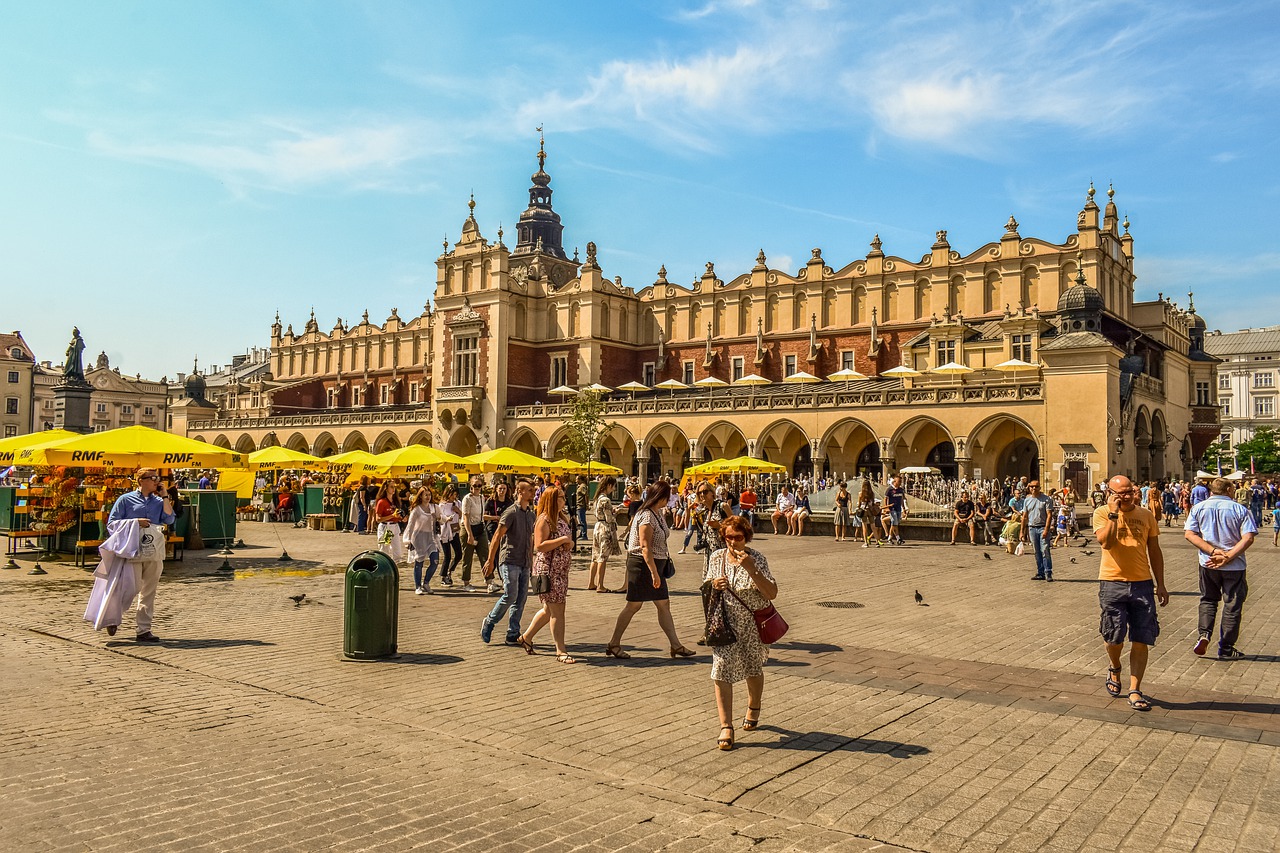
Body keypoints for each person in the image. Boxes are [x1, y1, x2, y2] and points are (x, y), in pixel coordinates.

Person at [703, 513, 778, 751]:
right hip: (725, 622)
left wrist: (751, 569)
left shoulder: (757, 558)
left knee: (752, 666)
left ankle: (753, 706)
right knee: (721, 668)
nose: (733, 542)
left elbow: (772, 592)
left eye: (738, 537)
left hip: (752, 623)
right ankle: (726, 726)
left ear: (746, 537)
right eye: (728, 537)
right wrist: (715, 585)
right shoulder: (716, 557)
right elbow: (706, 585)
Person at [1094, 474, 1168, 712]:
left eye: (1129, 492)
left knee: (1141, 637)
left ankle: (1135, 689)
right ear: (1110, 493)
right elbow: (1105, 542)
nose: (1126, 496)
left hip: (1142, 583)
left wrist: (1161, 584)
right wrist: (1114, 514)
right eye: (1120, 493)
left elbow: (1154, 551)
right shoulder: (1102, 513)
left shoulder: (1145, 515)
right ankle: (1115, 667)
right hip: (1112, 581)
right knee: (1113, 637)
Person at [604, 480, 696, 660]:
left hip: (655, 564)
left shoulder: (658, 513)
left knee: (663, 604)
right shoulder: (646, 516)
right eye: (666, 497)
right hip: (642, 565)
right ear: (659, 497)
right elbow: (645, 546)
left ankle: (676, 645)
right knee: (633, 605)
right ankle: (614, 643)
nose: (668, 501)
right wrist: (654, 572)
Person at [1184, 477, 1257, 660]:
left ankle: (1204, 634)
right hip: (1234, 565)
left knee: (1208, 600)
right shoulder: (1240, 509)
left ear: (1211, 491)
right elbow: (1248, 538)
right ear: (1229, 490)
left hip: (1208, 563)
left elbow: (1190, 534)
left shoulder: (1198, 508)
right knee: (1232, 605)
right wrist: (1228, 556)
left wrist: (1212, 551)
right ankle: (1226, 648)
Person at [105, 468, 176, 643]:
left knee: (149, 591)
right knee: (132, 587)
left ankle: (144, 630)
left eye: (157, 478)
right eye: (152, 478)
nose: (156, 481)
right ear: (140, 480)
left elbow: (170, 519)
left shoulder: (159, 501)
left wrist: (165, 495)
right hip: (133, 549)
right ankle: (113, 617)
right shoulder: (125, 500)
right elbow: (112, 524)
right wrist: (135, 522)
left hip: (153, 550)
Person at [517, 486, 576, 662]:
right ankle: (561, 651)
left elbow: (567, 540)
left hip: (560, 571)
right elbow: (539, 545)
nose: (564, 501)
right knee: (557, 611)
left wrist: (569, 544)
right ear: (551, 499)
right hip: (548, 571)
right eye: (560, 498)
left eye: (564, 498)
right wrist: (563, 540)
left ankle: (526, 637)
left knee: (548, 609)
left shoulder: (561, 518)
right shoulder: (544, 519)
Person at [481, 478, 537, 645]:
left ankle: (512, 633)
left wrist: (532, 561)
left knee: (521, 598)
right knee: (510, 595)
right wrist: (490, 561)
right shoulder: (511, 512)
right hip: (510, 559)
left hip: (524, 561)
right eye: (529, 490)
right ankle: (490, 621)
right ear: (520, 492)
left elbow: (531, 540)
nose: (533, 493)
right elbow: (497, 536)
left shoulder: (531, 515)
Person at [403, 486, 441, 595]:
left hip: (431, 537)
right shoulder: (416, 510)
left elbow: (440, 518)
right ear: (421, 496)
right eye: (426, 495)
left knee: (435, 561)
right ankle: (418, 586)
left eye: (429, 495)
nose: (428, 497)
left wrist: (446, 519)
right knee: (419, 562)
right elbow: (410, 526)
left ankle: (426, 583)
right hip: (419, 537)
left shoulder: (434, 507)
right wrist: (407, 540)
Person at [589, 476, 621, 593]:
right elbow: (609, 518)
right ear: (609, 485)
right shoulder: (606, 500)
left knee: (595, 556)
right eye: (613, 487)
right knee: (603, 557)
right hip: (605, 529)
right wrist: (615, 513)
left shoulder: (597, 498)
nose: (613, 489)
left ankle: (591, 582)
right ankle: (600, 585)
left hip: (597, 526)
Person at [483, 480, 514, 594]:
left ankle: (496, 578)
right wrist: (495, 517)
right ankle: (496, 579)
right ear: (496, 489)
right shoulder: (491, 501)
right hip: (492, 530)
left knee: (503, 554)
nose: (502, 491)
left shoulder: (509, 502)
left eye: (504, 489)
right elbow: (484, 516)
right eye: (500, 489)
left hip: (505, 530)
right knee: (496, 554)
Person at [458, 477, 488, 593]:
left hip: (480, 527)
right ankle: (466, 582)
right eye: (475, 485)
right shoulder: (467, 499)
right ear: (470, 486)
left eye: (479, 485)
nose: (477, 488)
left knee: (485, 554)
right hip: (468, 528)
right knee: (467, 557)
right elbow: (465, 518)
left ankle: (489, 580)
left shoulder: (481, 498)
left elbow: (481, 516)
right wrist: (470, 534)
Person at [1022, 480, 1054, 581]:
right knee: (1036, 551)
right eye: (1032, 486)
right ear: (1029, 488)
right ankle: (1040, 572)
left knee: (1045, 550)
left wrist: (1046, 529)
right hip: (1032, 528)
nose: (1034, 488)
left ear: (1040, 488)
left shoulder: (1046, 499)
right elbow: (1024, 516)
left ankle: (1048, 572)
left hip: (1042, 527)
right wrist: (1022, 532)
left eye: (1036, 486)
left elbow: (1049, 515)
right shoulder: (1027, 500)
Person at [436, 483, 462, 586]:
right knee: (447, 555)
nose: (453, 497)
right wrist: (447, 519)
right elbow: (439, 518)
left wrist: (458, 511)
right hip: (445, 532)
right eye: (452, 495)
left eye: (455, 495)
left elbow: (462, 516)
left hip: (454, 530)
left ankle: (450, 571)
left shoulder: (458, 503)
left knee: (459, 554)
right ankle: (443, 576)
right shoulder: (442, 505)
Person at [373, 482, 404, 563]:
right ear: (386, 488)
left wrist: (401, 518)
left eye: (394, 487)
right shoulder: (381, 502)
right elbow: (378, 519)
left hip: (395, 526)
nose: (393, 489)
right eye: (391, 487)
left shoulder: (395, 501)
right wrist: (392, 516)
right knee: (385, 549)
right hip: (386, 527)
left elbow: (397, 515)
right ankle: (384, 565)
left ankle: (396, 566)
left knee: (397, 551)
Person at [883, 474, 907, 545]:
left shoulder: (900, 490)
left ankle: (897, 538)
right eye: (899, 481)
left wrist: (904, 508)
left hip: (898, 508)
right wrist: (886, 507)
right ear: (894, 481)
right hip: (892, 508)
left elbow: (902, 499)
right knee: (894, 522)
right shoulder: (889, 489)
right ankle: (891, 538)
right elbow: (886, 498)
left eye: (900, 482)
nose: (900, 483)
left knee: (895, 523)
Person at [575, 475, 589, 545]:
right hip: (578, 505)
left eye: (577, 479)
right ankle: (581, 533)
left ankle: (584, 535)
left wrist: (587, 504)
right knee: (580, 520)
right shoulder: (580, 486)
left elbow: (586, 495)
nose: (576, 480)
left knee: (582, 520)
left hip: (581, 505)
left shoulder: (583, 486)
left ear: (581, 479)